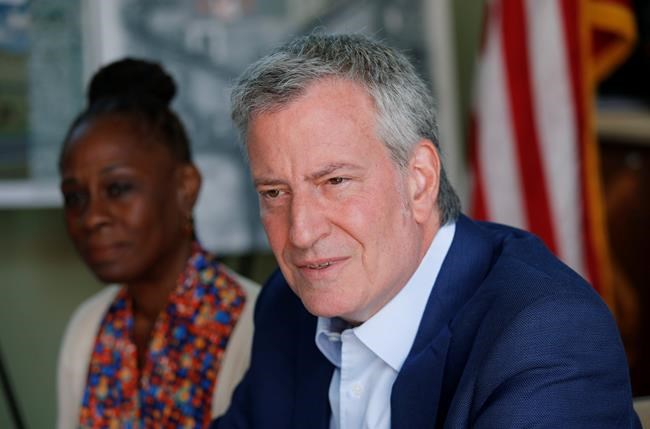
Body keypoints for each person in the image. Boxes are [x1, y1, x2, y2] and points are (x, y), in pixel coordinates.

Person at [212, 33, 640, 428]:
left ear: (419, 180)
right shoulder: (288, 306)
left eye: (335, 181)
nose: (302, 233)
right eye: (274, 192)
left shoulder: (544, 334)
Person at [56, 58, 259, 428]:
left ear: (185, 188)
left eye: (118, 189)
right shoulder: (89, 329)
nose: (92, 217)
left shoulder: (257, 326)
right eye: (75, 197)